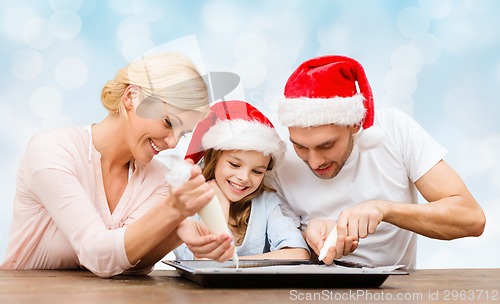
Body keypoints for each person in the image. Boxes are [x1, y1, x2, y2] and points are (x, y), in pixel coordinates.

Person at [0, 51, 223, 278]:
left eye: (183, 133)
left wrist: (174, 233)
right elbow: (97, 255)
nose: (173, 142)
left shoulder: (159, 179)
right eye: (168, 122)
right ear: (131, 97)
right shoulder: (52, 151)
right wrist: (172, 212)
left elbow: (126, 263)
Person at [265, 54, 486, 269]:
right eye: (301, 147)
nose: (314, 162)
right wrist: (310, 239)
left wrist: (384, 210)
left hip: (393, 291)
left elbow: (471, 219)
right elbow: (271, 248)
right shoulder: (280, 158)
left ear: (355, 124)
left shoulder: (394, 130)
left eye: (326, 146)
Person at [174, 100, 310, 260]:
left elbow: (299, 254)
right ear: (214, 159)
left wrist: (233, 264)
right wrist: (220, 210)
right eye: (234, 164)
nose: (244, 178)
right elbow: (202, 263)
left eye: (257, 171)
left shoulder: (267, 203)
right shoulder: (187, 206)